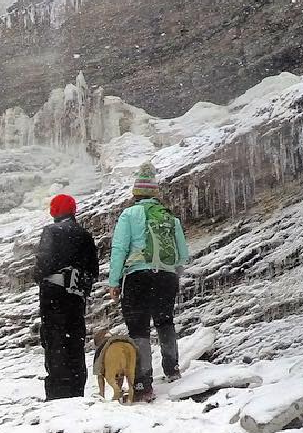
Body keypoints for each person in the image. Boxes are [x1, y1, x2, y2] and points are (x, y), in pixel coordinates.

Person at [107, 162, 189, 402]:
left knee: (139, 329)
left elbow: (119, 249)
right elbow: (182, 254)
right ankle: (173, 370)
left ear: (135, 193)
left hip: (138, 277)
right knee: (165, 321)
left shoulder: (129, 214)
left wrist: (114, 281)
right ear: (155, 193)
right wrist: (171, 275)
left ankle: (143, 383)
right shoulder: (170, 217)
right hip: (166, 276)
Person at [32, 193, 99, 400]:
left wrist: (39, 277)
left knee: (55, 339)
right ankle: (77, 387)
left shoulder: (51, 232)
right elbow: (93, 269)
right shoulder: (84, 235)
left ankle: (58, 391)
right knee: (75, 339)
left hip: (54, 294)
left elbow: (43, 264)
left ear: (54, 211)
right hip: (76, 295)